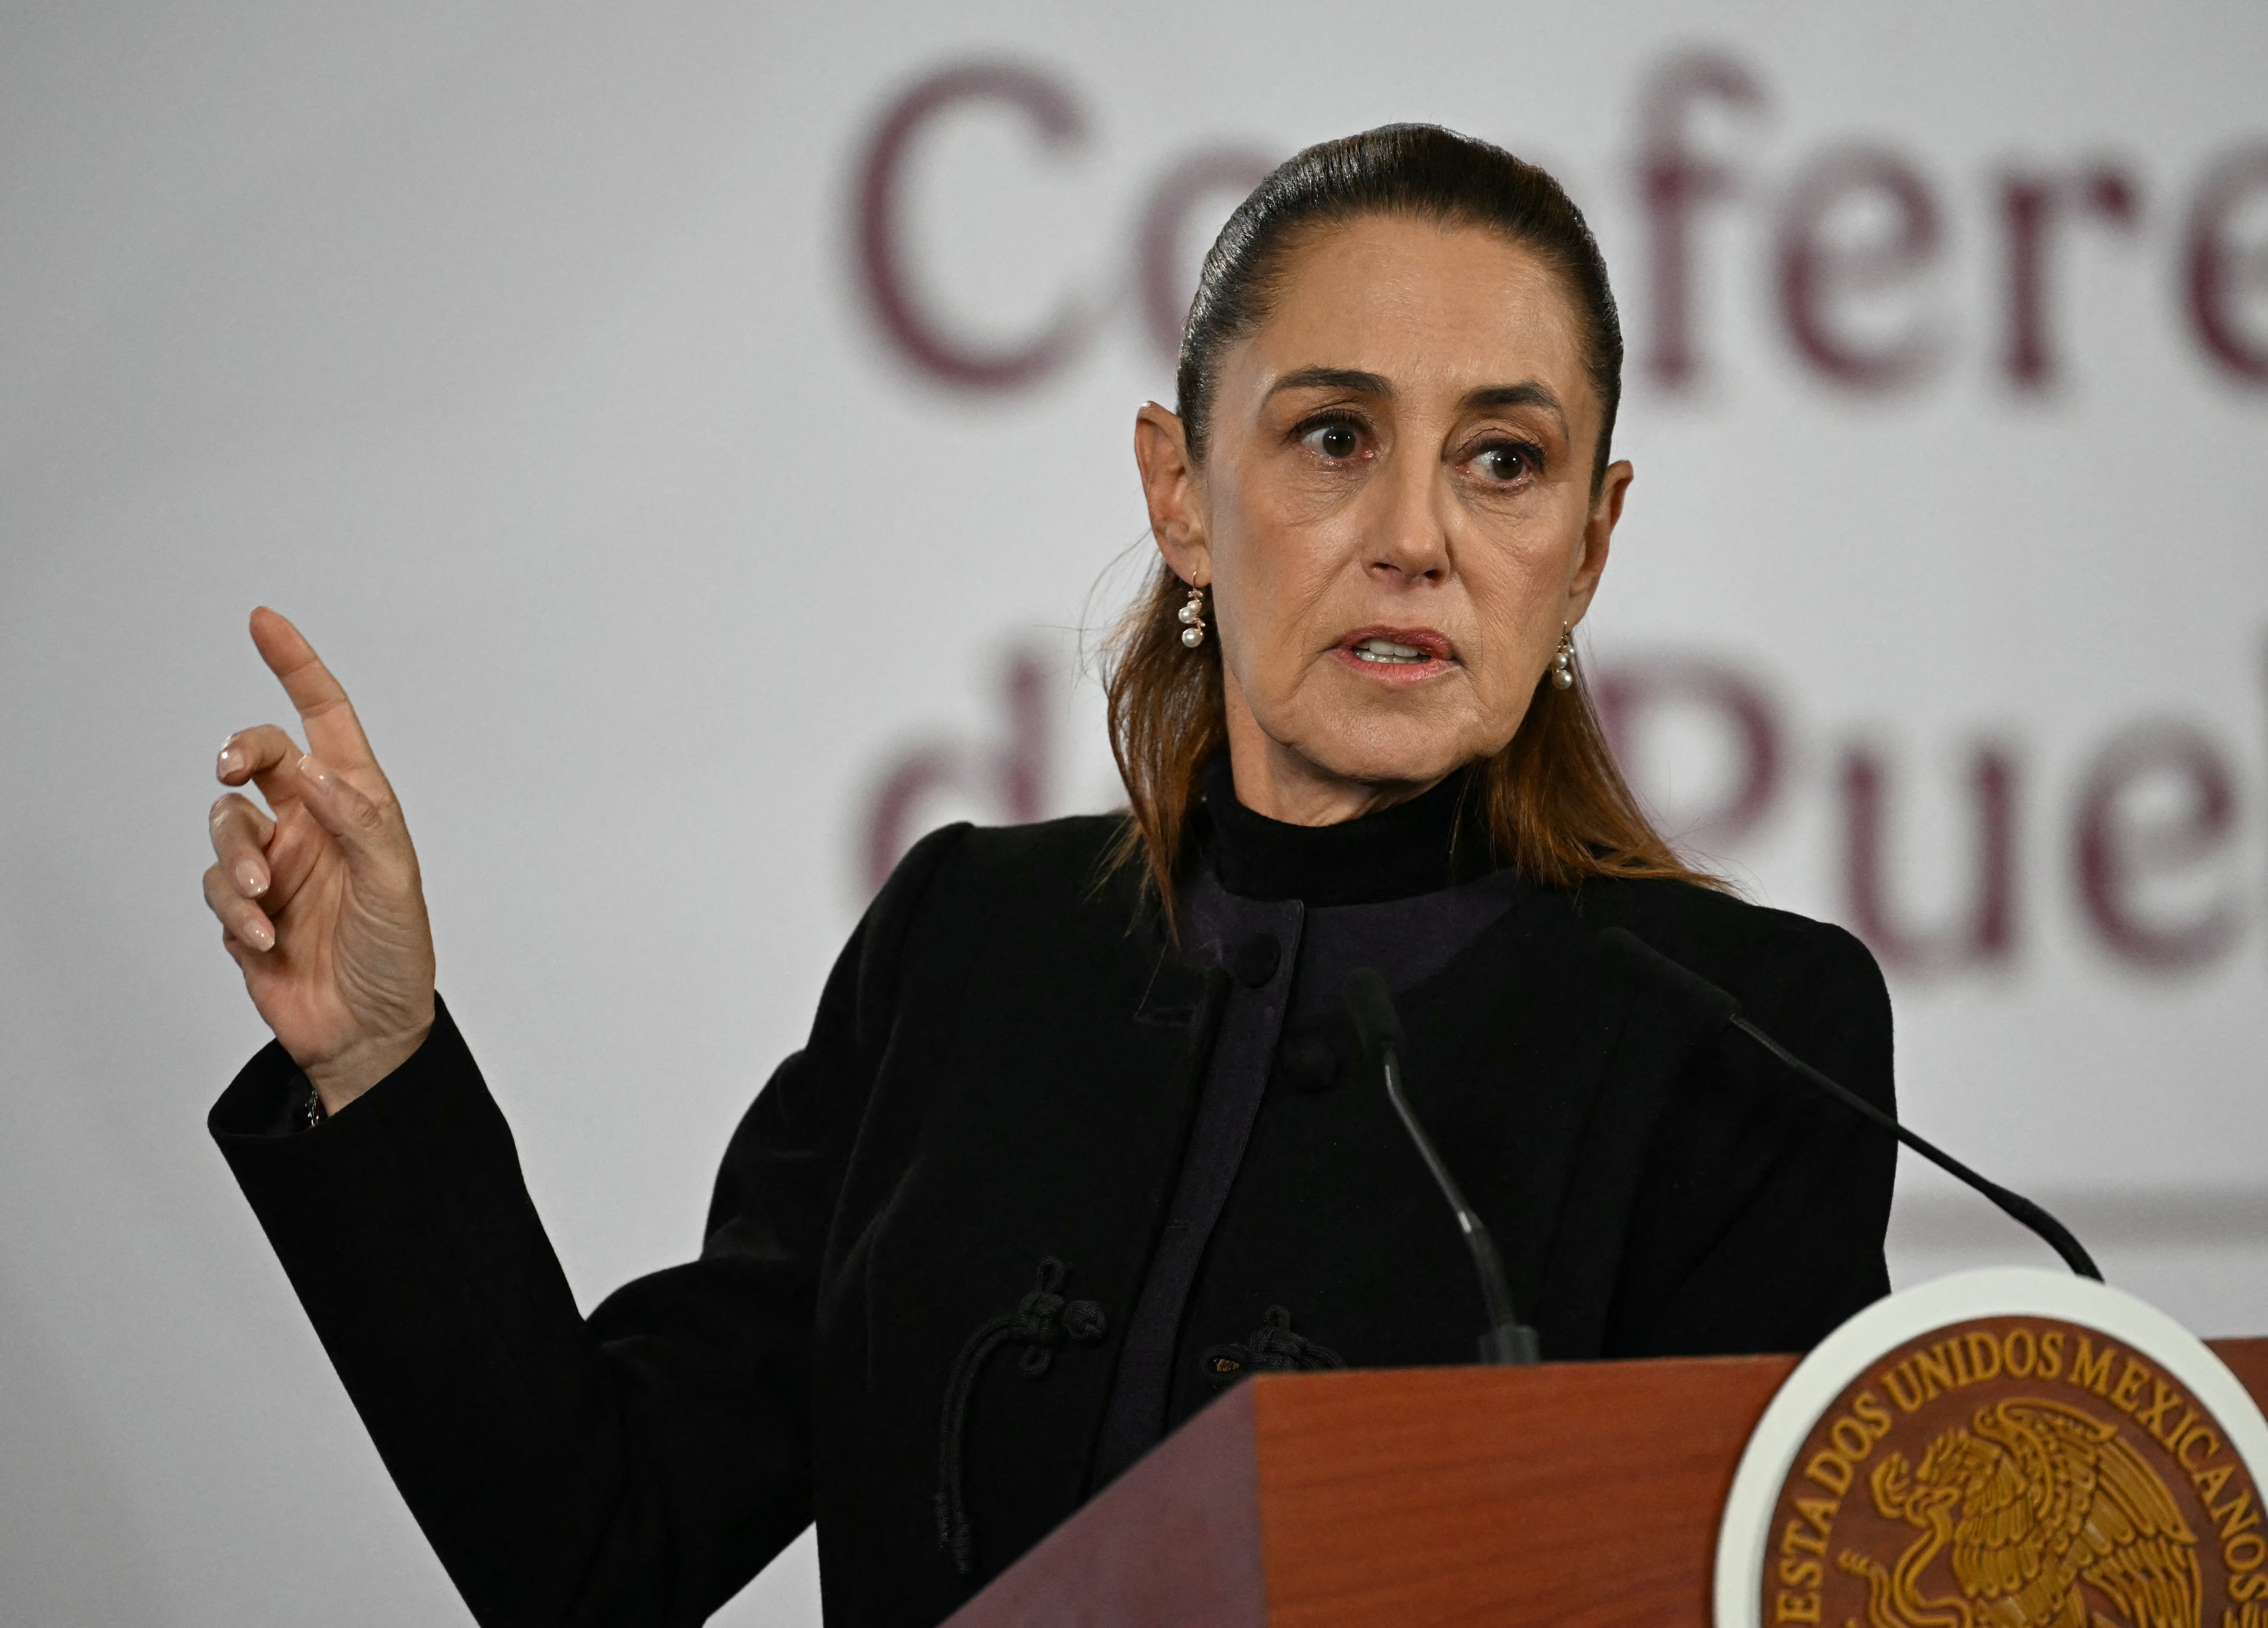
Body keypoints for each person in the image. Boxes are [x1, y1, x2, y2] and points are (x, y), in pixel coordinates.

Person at [201, 126, 1894, 1628]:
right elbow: (596, 1557)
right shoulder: (966, 948)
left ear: (1588, 546)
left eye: (1503, 462)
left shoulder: (1747, 1036)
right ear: (1178, 490)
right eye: (1331, 438)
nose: (1417, 536)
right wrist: (377, 1062)